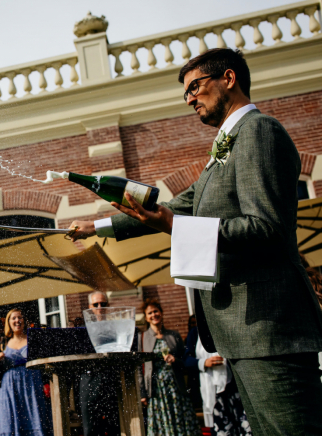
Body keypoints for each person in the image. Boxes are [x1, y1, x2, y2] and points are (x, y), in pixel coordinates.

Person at [70, 47, 322, 434]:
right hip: (245, 333)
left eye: (195, 87)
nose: (190, 98)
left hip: (270, 329)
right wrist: (99, 226)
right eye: (185, 93)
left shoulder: (258, 131)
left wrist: (178, 226)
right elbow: (173, 206)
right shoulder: (224, 149)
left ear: (229, 79)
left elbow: (266, 226)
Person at [79, 291, 140, 436]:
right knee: (91, 432)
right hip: (89, 387)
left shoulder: (117, 328)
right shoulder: (82, 330)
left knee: (115, 430)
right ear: (89, 307)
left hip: (112, 386)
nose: (100, 307)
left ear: (109, 306)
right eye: (96, 304)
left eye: (103, 304)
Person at [138, 299, 199, 436]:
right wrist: (142, 393)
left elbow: (185, 361)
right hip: (156, 389)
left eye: (156, 311)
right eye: (150, 313)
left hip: (175, 386)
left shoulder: (173, 335)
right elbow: (139, 369)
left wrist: (175, 359)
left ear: (161, 313)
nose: (154, 314)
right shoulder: (142, 338)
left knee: (181, 420)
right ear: (146, 317)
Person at [184, 329, 251, 435]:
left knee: (244, 425)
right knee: (222, 429)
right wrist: (204, 362)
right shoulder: (195, 333)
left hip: (233, 386)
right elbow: (187, 360)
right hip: (213, 390)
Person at [0, 309, 51, 436]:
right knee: (12, 418)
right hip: (10, 386)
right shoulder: (3, 343)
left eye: (19, 317)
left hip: (32, 381)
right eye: (13, 318)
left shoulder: (33, 338)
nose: (17, 321)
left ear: (24, 321)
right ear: (8, 322)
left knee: (34, 415)